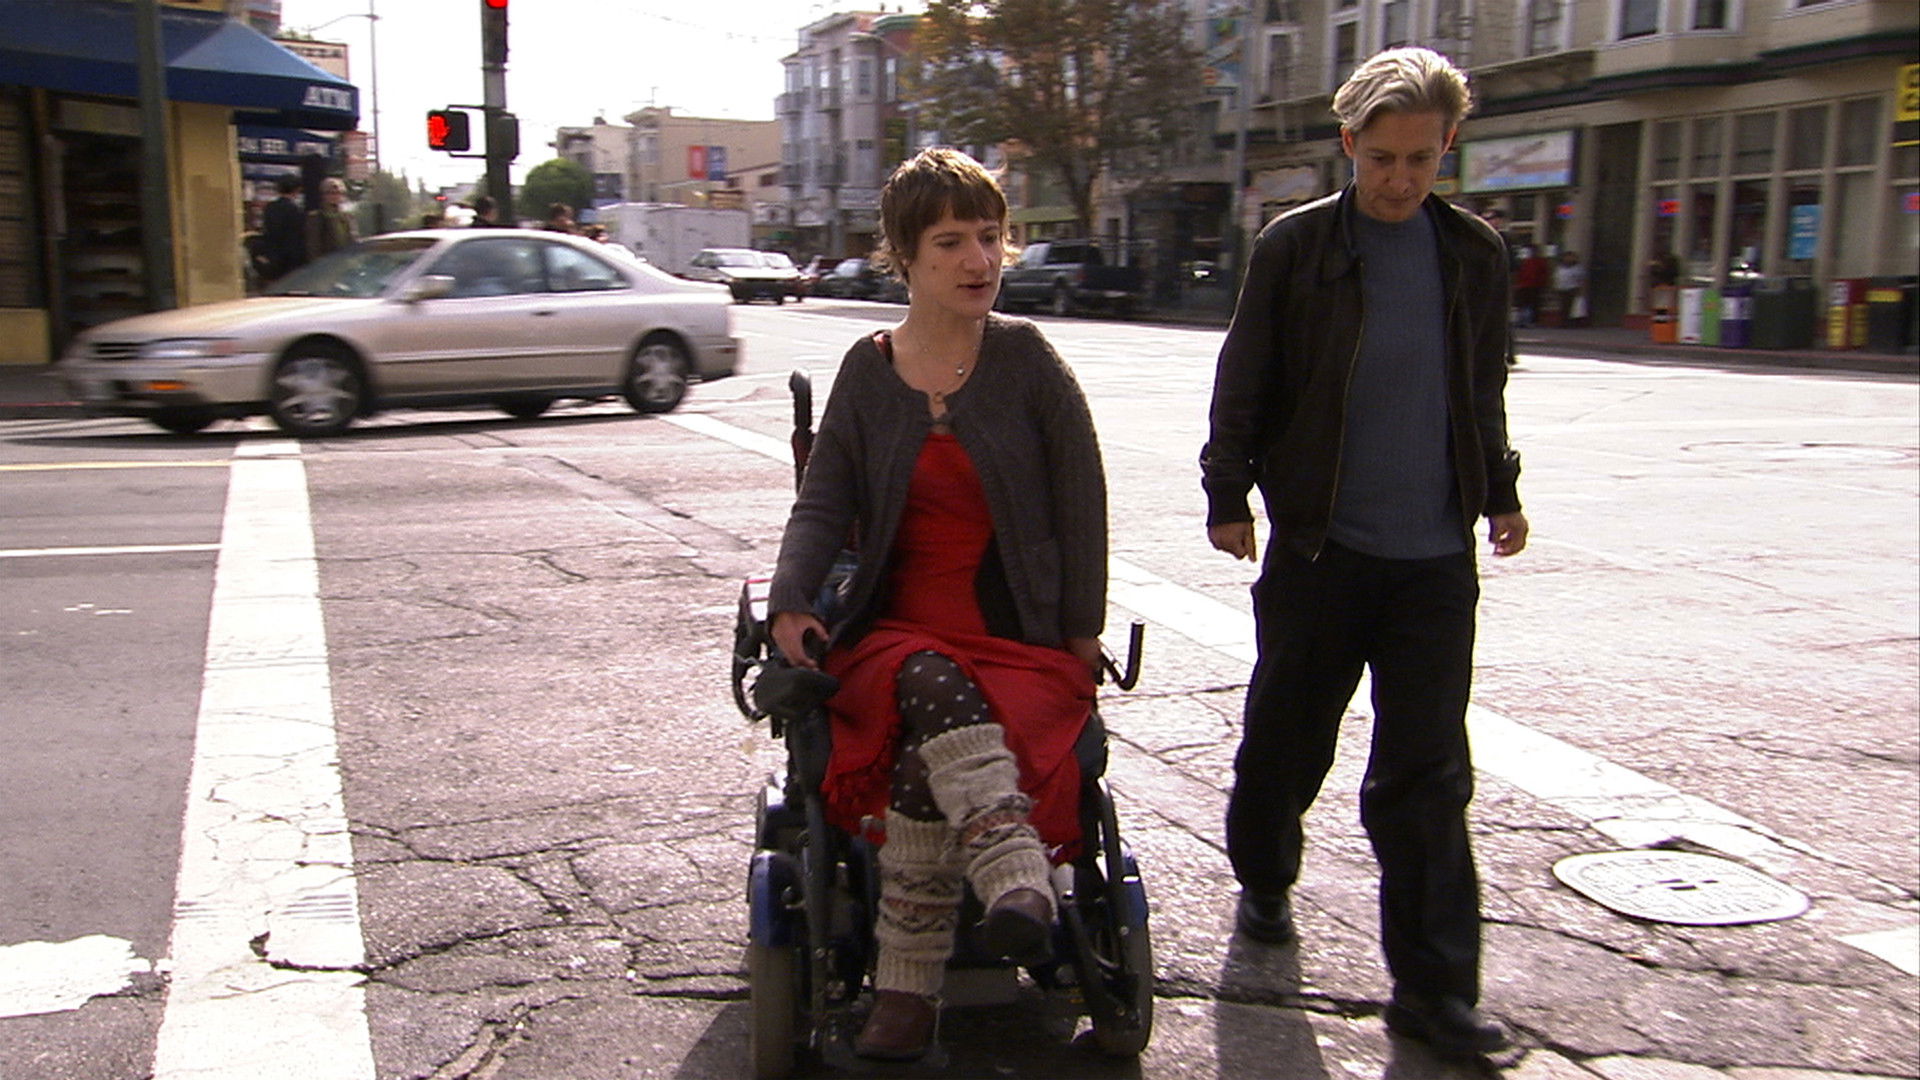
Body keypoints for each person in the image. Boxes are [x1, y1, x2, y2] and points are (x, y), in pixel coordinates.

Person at [1200, 46, 1527, 1062]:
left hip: (1433, 561)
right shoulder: (1296, 247)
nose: (1398, 179)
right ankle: (1265, 876)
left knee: (1427, 775)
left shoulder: (1472, 253)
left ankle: (1434, 992)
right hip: (1320, 548)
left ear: (1448, 148)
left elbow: (1480, 388)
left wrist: (1501, 490)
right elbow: (1246, 375)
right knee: (1288, 741)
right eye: (1382, 158)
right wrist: (1227, 492)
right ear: (1348, 144)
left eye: (1420, 159)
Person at [766, 147, 1107, 1062]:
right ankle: (1011, 867)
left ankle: (906, 993)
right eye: (952, 242)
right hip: (893, 637)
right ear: (905, 259)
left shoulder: (1028, 361)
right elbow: (824, 502)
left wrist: (1082, 635)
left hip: (1015, 644)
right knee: (923, 673)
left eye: (990, 237)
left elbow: (1082, 506)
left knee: (928, 755)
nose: (979, 260)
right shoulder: (868, 370)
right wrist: (791, 598)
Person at [258, 176, 306, 282]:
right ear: (296, 190)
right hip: (290, 260)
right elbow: (297, 237)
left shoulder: (270, 208)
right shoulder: (295, 210)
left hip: (272, 257)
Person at [304, 177, 356, 260]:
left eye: (338, 193)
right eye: (330, 193)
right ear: (323, 195)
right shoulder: (316, 217)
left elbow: (352, 239)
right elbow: (313, 246)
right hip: (327, 262)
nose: (335, 196)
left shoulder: (347, 216)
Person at [1553, 249, 1588, 327]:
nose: (1568, 259)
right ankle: (1564, 322)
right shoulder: (1560, 267)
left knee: (1572, 307)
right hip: (1562, 289)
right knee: (1563, 306)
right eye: (1567, 257)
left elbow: (1582, 279)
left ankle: (1572, 322)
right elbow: (1556, 277)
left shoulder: (1578, 268)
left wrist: (1581, 289)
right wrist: (1556, 286)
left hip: (1573, 289)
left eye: (1571, 257)